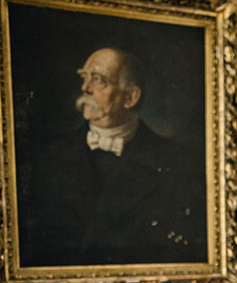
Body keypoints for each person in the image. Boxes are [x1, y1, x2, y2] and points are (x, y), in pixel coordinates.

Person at [19, 47, 207, 267]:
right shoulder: (50, 157)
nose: (85, 88)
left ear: (130, 97)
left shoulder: (178, 162)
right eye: (84, 77)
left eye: (98, 80)